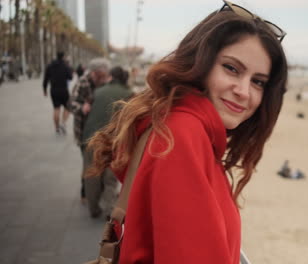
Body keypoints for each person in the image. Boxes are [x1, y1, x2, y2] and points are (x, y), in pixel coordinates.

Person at [86, 1, 287, 262]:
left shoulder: (182, 127)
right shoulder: (181, 138)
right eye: (231, 68)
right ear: (200, 64)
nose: (243, 91)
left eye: (258, 82)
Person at [81, 66, 134, 219]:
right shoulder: (129, 94)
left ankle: (94, 208)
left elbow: (85, 109)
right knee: (110, 177)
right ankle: (110, 209)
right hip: (114, 140)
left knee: (92, 175)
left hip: (91, 138)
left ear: (111, 77)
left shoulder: (97, 91)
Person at [70, 58, 111, 209]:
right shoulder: (83, 82)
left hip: (99, 130)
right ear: (94, 73)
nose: (102, 78)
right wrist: (82, 107)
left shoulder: (105, 82)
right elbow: (71, 103)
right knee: (87, 163)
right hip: (83, 130)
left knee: (101, 162)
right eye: (100, 75)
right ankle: (84, 193)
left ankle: (96, 192)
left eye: (104, 75)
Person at [43, 51, 73, 134]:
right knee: (67, 107)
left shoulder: (50, 65)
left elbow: (45, 79)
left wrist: (44, 90)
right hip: (63, 90)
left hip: (54, 90)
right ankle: (63, 123)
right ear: (63, 57)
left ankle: (56, 128)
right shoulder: (65, 66)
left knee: (56, 108)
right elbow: (70, 77)